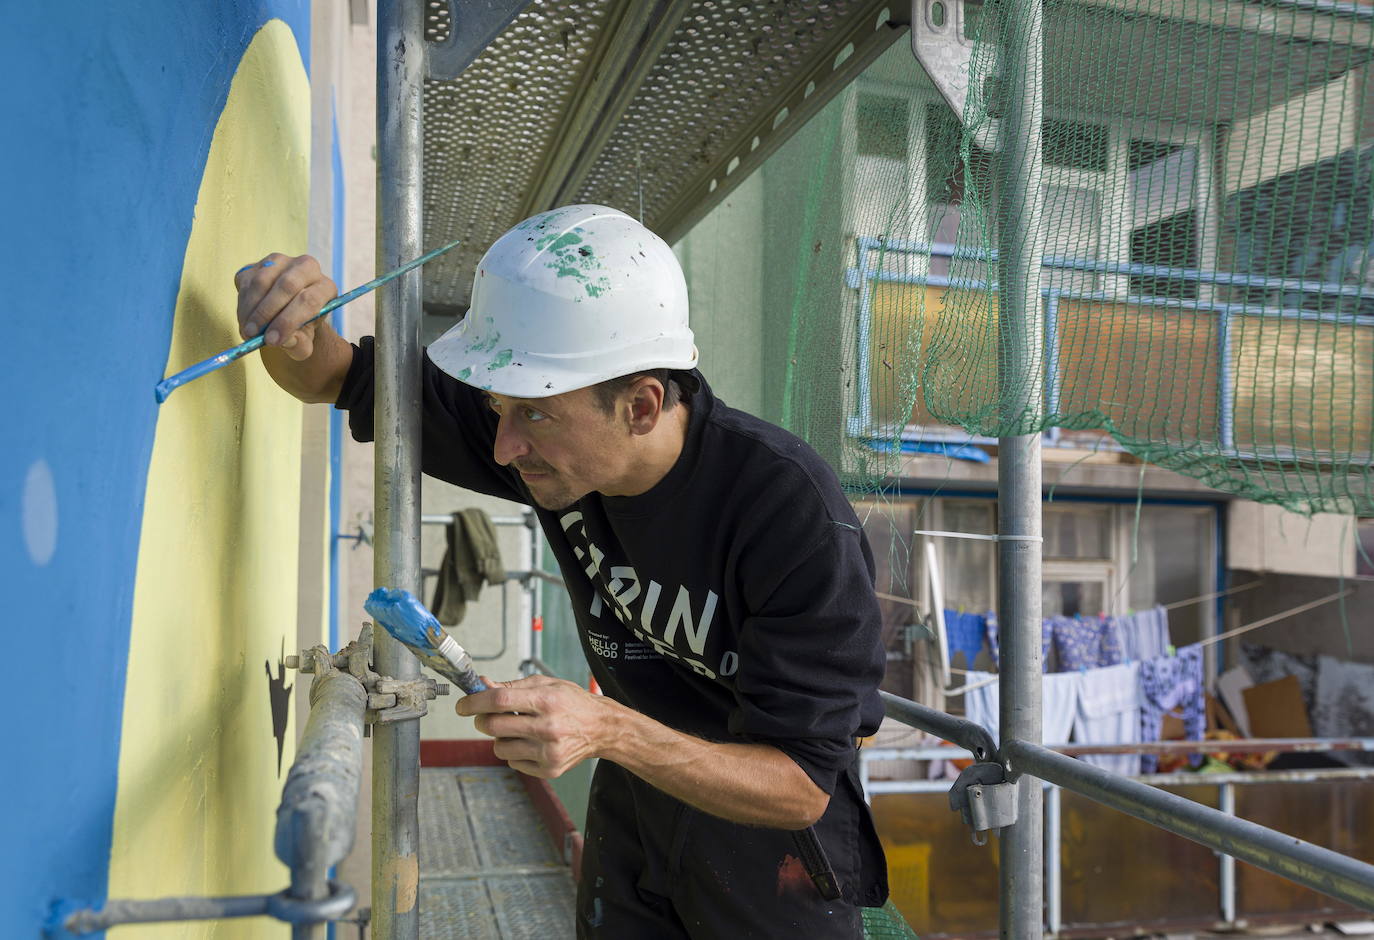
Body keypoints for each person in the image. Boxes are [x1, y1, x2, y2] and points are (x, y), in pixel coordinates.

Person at [236, 204, 889, 937]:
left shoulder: (786, 511)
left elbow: (802, 787)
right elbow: (339, 377)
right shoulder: (548, 429)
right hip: (636, 797)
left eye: (534, 418)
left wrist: (608, 728)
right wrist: (291, 328)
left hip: (770, 842)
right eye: (496, 408)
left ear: (641, 405)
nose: (504, 447)